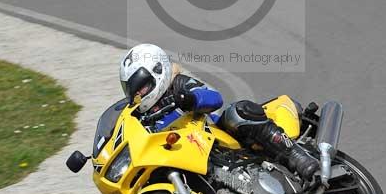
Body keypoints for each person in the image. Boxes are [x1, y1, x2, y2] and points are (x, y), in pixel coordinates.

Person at [116, 43, 318, 182]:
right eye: (134, 91)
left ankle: (296, 154)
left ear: (157, 72)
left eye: (141, 87)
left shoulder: (176, 85)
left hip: (216, 139)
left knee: (238, 112)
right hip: (183, 156)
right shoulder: (143, 115)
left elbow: (214, 98)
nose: (140, 94)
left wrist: (191, 99)